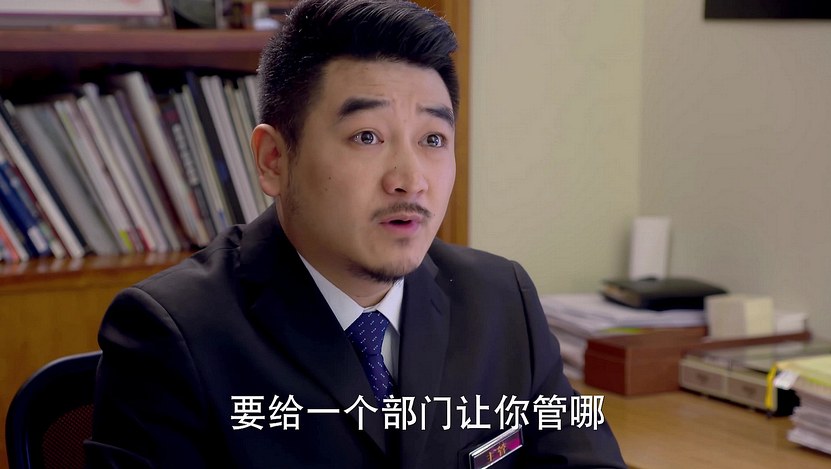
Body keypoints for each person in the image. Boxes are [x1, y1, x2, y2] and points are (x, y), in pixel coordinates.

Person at [86, 0, 626, 467]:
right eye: (367, 136)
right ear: (274, 160)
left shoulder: (502, 298)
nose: (410, 179)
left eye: (433, 140)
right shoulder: (171, 333)